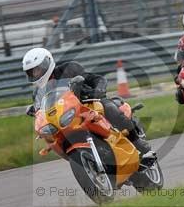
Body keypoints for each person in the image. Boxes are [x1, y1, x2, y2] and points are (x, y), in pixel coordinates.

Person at [21, 47, 156, 163]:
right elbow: (41, 110)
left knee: (108, 107)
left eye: (37, 70)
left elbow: (96, 79)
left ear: (47, 63)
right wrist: (36, 112)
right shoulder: (38, 93)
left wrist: (99, 90)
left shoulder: (69, 69)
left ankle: (140, 145)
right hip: (66, 117)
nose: (35, 74)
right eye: (32, 72)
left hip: (88, 103)